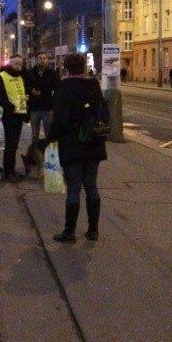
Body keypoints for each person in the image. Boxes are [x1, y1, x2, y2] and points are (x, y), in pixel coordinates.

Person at [47, 52, 107, 243]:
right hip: (93, 143)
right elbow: (103, 113)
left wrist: (51, 138)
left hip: (72, 144)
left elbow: (59, 120)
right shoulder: (94, 86)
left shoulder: (64, 89)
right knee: (91, 186)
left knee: (73, 188)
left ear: (66, 68)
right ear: (83, 67)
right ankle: (93, 231)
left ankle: (69, 232)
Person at [0, 54, 29, 183]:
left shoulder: (20, 76)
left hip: (19, 115)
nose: (19, 66)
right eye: (16, 64)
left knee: (14, 145)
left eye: (21, 64)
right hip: (9, 115)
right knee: (10, 145)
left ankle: (12, 170)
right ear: (10, 64)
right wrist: (11, 106)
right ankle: (8, 173)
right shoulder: (3, 76)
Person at [24, 51, 59, 145]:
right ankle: (34, 155)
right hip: (34, 107)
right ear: (36, 60)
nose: (42, 60)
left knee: (49, 133)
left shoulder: (52, 73)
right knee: (34, 134)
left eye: (44, 58)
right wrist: (31, 91)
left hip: (47, 107)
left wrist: (52, 101)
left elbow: (57, 88)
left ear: (47, 60)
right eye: (40, 58)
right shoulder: (30, 72)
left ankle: (49, 154)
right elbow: (25, 86)